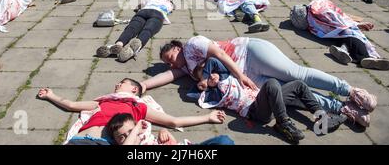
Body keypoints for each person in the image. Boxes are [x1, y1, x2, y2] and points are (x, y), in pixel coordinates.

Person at [141, 36, 377, 127]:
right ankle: (344, 108)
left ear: (177, 47)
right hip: (249, 79)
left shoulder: (193, 43)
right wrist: (142, 86)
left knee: (296, 74)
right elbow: (168, 76)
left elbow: (221, 55)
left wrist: (240, 75)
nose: (172, 63)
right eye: (168, 62)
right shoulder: (186, 67)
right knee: (291, 98)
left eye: (170, 57)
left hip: (250, 53)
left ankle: (350, 90)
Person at [194, 58, 347, 144]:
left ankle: (322, 120)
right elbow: (194, 96)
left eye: (211, 74)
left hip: (267, 101)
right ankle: (283, 124)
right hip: (256, 112)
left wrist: (208, 74)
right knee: (272, 84)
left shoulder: (225, 74)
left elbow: (213, 61)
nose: (212, 76)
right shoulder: (213, 94)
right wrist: (204, 84)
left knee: (298, 85)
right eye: (208, 78)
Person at [37, 78, 226, 145]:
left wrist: (207, 117)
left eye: (122, 82)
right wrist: (51, 95)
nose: (117, 84)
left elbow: (173, 121)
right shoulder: (102, 101)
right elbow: (71, 105)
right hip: (83, 140)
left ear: (134, 89)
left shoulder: (137, 106)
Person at [290, 0, 389, 71]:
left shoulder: (318, 7)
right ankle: (364, 58)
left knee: (343, 34)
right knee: (349, 34)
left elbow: (336, 17)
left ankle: (344, 50)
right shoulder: (314, 12)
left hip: (335, 30)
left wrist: (355, 24)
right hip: (339, 29)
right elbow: (340, 19)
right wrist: (355, 24)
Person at [97, 0, 175, 62]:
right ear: (168, 1)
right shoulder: (169, 4)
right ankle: (132, 49)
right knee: (147, 30)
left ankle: (118, 44)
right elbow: (170, 10)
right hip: (158, 14)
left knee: (131, 28)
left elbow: (139, 6)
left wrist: (138, 8)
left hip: (143, 12)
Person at [106, 113, 234, 145]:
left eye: (130, 131)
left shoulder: (146, 137)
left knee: (224, 140)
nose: (129, 136)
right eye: (122, 136)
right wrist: (135, 129)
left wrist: (164, 132)